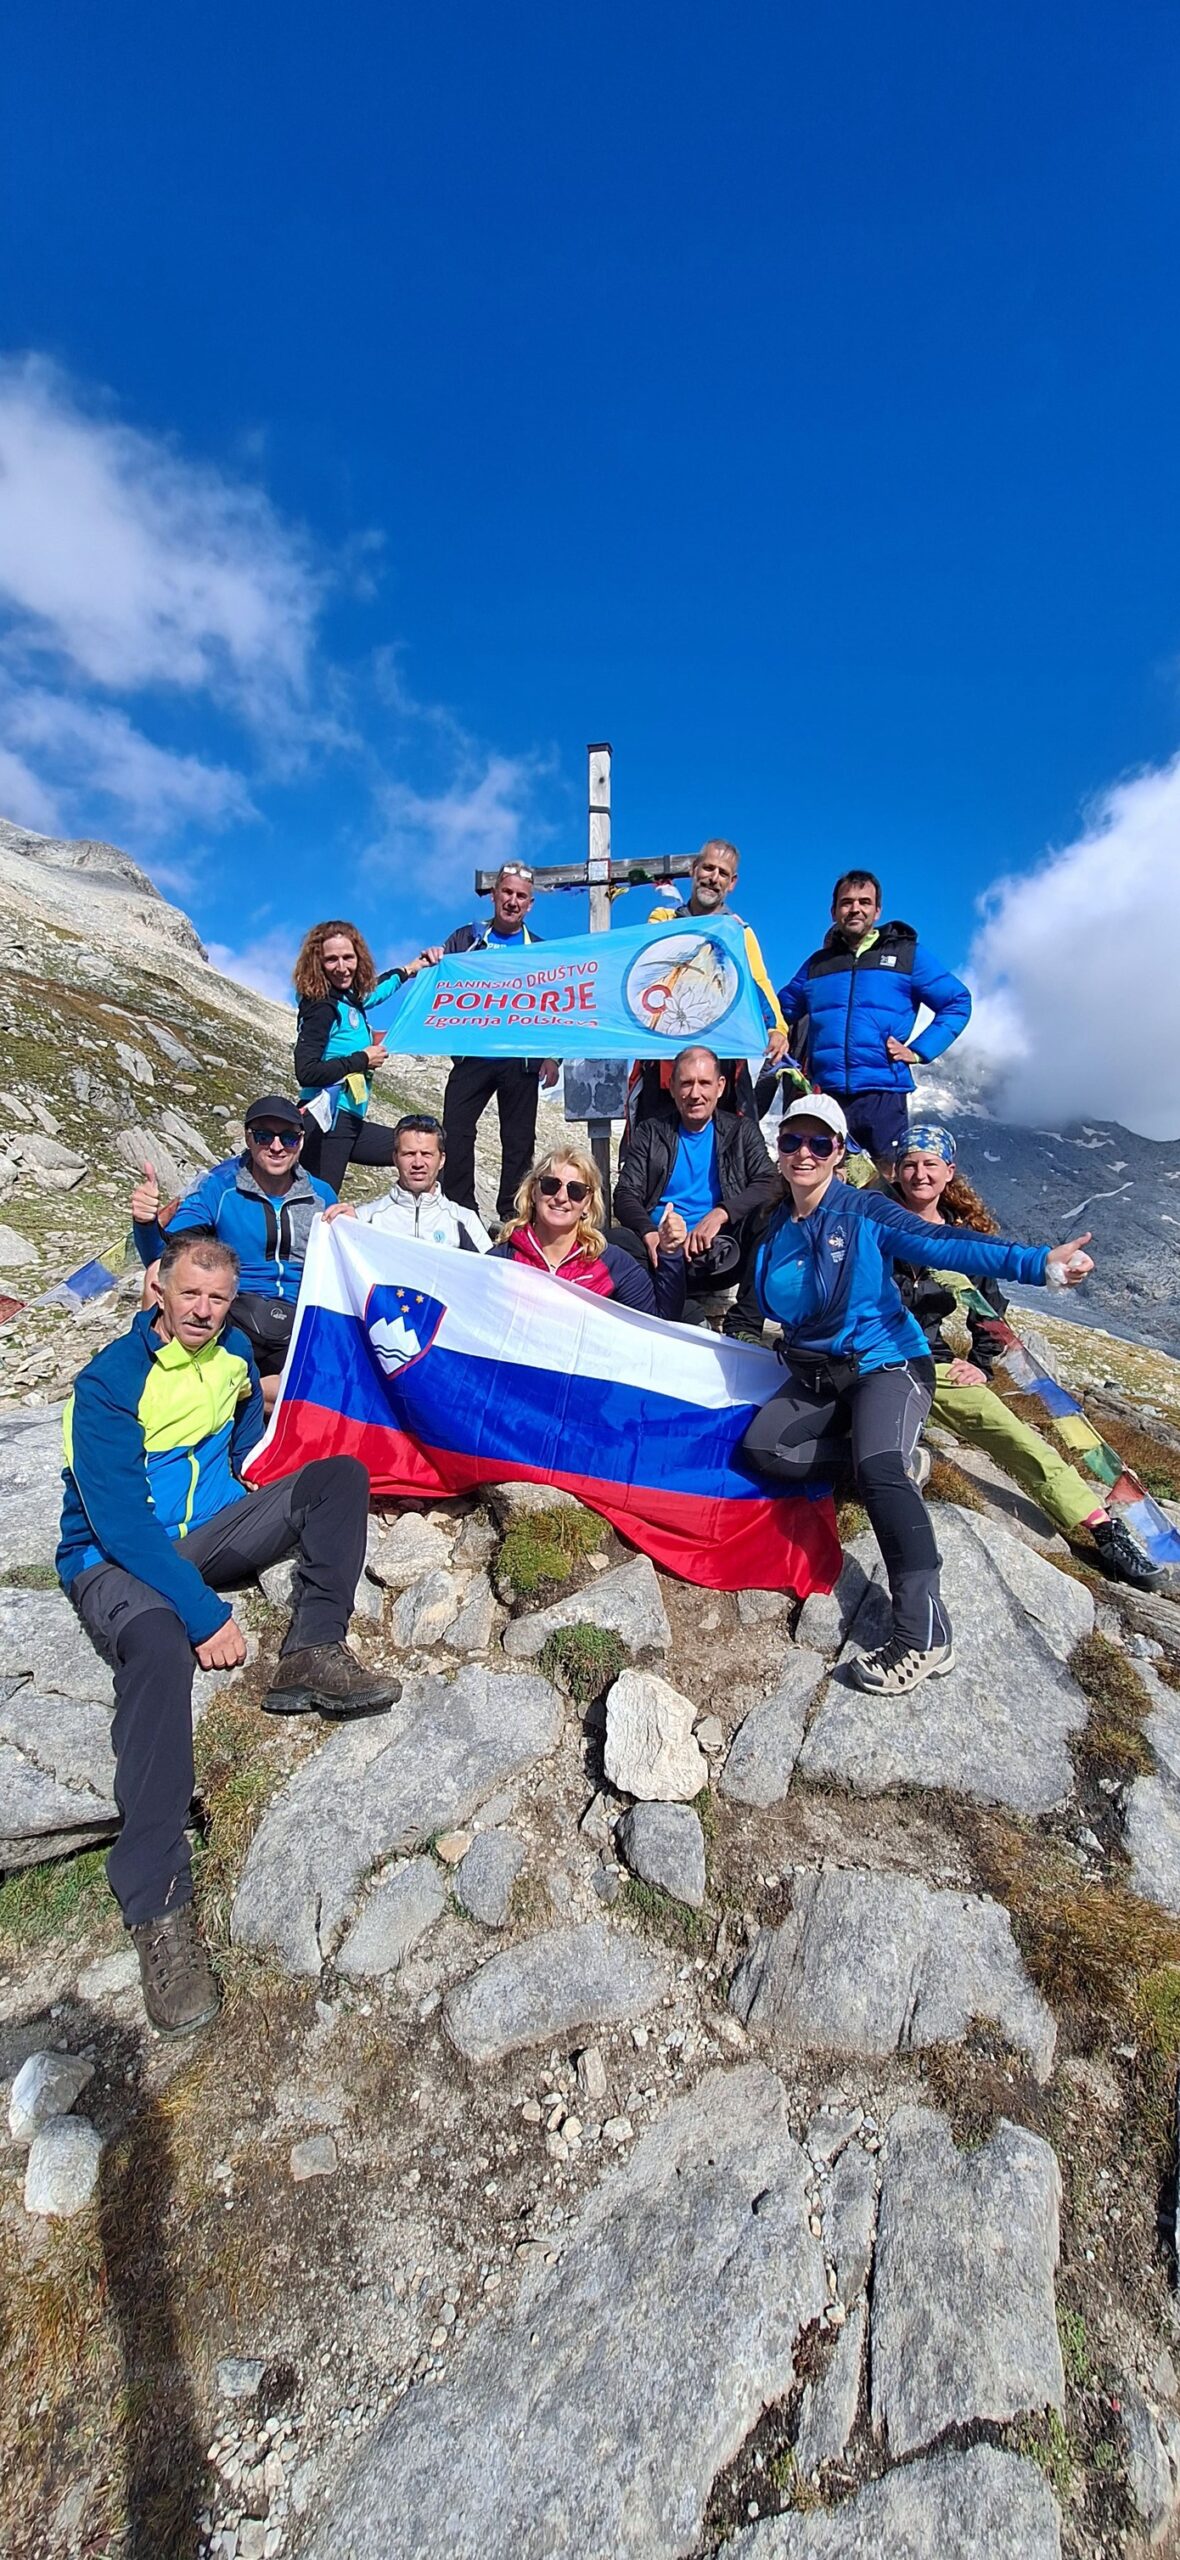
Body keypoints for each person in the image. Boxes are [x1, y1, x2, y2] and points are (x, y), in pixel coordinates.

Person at [57, 1229, 399, 2038]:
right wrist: (207, 1614)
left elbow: (242, 1429)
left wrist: (253, 1458)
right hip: (113, 1556)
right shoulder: (109, 1383)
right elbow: (119, 1525)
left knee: (340, 1478)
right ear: (159, 1290)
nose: (204, 1311)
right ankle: (157, 1902)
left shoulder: (237, 1352)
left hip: (207, 1529)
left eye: (216, 1297)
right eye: (189, 1295)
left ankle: (312, 1650)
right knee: (159, 1648)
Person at [739, 1093, 1096, 1696]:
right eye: (793, 1141)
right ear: (779, 1152)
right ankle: (895, 1458)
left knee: (879, 1473)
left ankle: (923, 1634)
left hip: (888, 1364)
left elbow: (944, 1245)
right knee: (765, 1449)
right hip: (824, 1373)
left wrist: (1041, 1265)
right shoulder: (777, 1224)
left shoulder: (865, 1210)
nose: (804, 1153)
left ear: (839, 1153)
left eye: (819, 1143)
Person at [891, 1125, 1158, 1588]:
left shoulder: (965, 1241)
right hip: (875, 1358)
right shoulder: (872, 1217)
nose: (919, 1174)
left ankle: (1104, 1528)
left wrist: (980, 1362)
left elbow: (989, 1308)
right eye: (911, 1163)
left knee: (1016, 1436)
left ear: (948, 1172)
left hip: (932, 1363)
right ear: (896, 1170)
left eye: (930, 1164)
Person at [130, 1096, 333, 1411]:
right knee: (156, 1274)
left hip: (300, 1316)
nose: (277, 1146)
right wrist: (144, 1224)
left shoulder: (322, 1194)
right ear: (248, 1138)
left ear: (302, 1141)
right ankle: (151, 1382)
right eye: (264, 1136)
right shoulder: (219, 1187)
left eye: (289, 1137)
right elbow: (165, 1261)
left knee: (322, 1390)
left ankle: (223, 1393)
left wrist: (352, 1226)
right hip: (235, 1311)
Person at [777, 871, 972, 1170]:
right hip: (828, 1096)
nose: (855, 909)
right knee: (831, 1187)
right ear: (834, 911)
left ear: (877, 910)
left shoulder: (907, 956)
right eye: (846, 903)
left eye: (864, 902)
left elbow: (957, 1001)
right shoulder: (818, 965)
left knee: (888, 1186)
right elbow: (780, 1008)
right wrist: (774, 1028)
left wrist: (919, 1050)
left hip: (883, 1095)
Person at [631, 837, 798, 1128]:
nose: (713, 878)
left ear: (732, 883)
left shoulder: (740, 932)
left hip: (721, 1061)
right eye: (708, 868)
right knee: (655, 1148)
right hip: (665, 1060)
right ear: (694, 870)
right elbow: (644, 969)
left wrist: (777, 1028)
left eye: (722, 873)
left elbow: (757, 982)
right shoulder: (664, 921)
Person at [613, 1045, 777, 1312]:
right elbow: (625, 1194)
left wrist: (721, 1214)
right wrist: (650, 1233)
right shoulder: (651, 1132)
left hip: (717, 1253)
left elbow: (769, 1181)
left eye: (704, 1083)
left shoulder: (741, 1131)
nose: (695, 1094)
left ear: (720, 1087)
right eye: (687, 1083)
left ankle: (745, 1322)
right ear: (673, 1086)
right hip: (658, 1254)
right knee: (614, 1240)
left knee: (769, 1218)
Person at [440, 861, 559, 1225]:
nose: (512, 901)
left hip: (520, 1058)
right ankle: (460, 1208)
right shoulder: (466, 938)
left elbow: (554, 1004)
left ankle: (513, 1213)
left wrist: (552, 1056)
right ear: (494, 895)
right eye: (506, 893)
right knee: (456, 1129)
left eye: (521, 896)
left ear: (530, 904)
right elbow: (442, 984)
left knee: (519, 1138)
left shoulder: (541, 950)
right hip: (473, 1054)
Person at [293, 917, 442, 1196]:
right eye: (331, 960)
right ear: (318, 963)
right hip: (327, 1122)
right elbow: (307, 1071)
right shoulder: (321, 1007)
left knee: (417, 1153)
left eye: (348, 957)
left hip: (349, 1121)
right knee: (320, 1205)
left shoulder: (349, 998)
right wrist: (362, 1059)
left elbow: (375, 990)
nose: (342, 967)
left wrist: (411, 968)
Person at [492, 1147, 687, 1317]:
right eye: (551, 1185)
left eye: (575, 1190)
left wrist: (670, 1253)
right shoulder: (501, 1260)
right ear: (534, 1192)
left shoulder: (613, 1263)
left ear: (588, 1203)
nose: (561, 1197)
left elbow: (659, 1323)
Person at [323, 1113, 491, 1251]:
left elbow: (494, 1277)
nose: (418, 1163)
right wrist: (335, 1223)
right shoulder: (364, 1219)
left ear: (441, 1160)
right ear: (395, 1159)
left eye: (426, 1154)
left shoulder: (465, 1221)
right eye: (409, 1154)